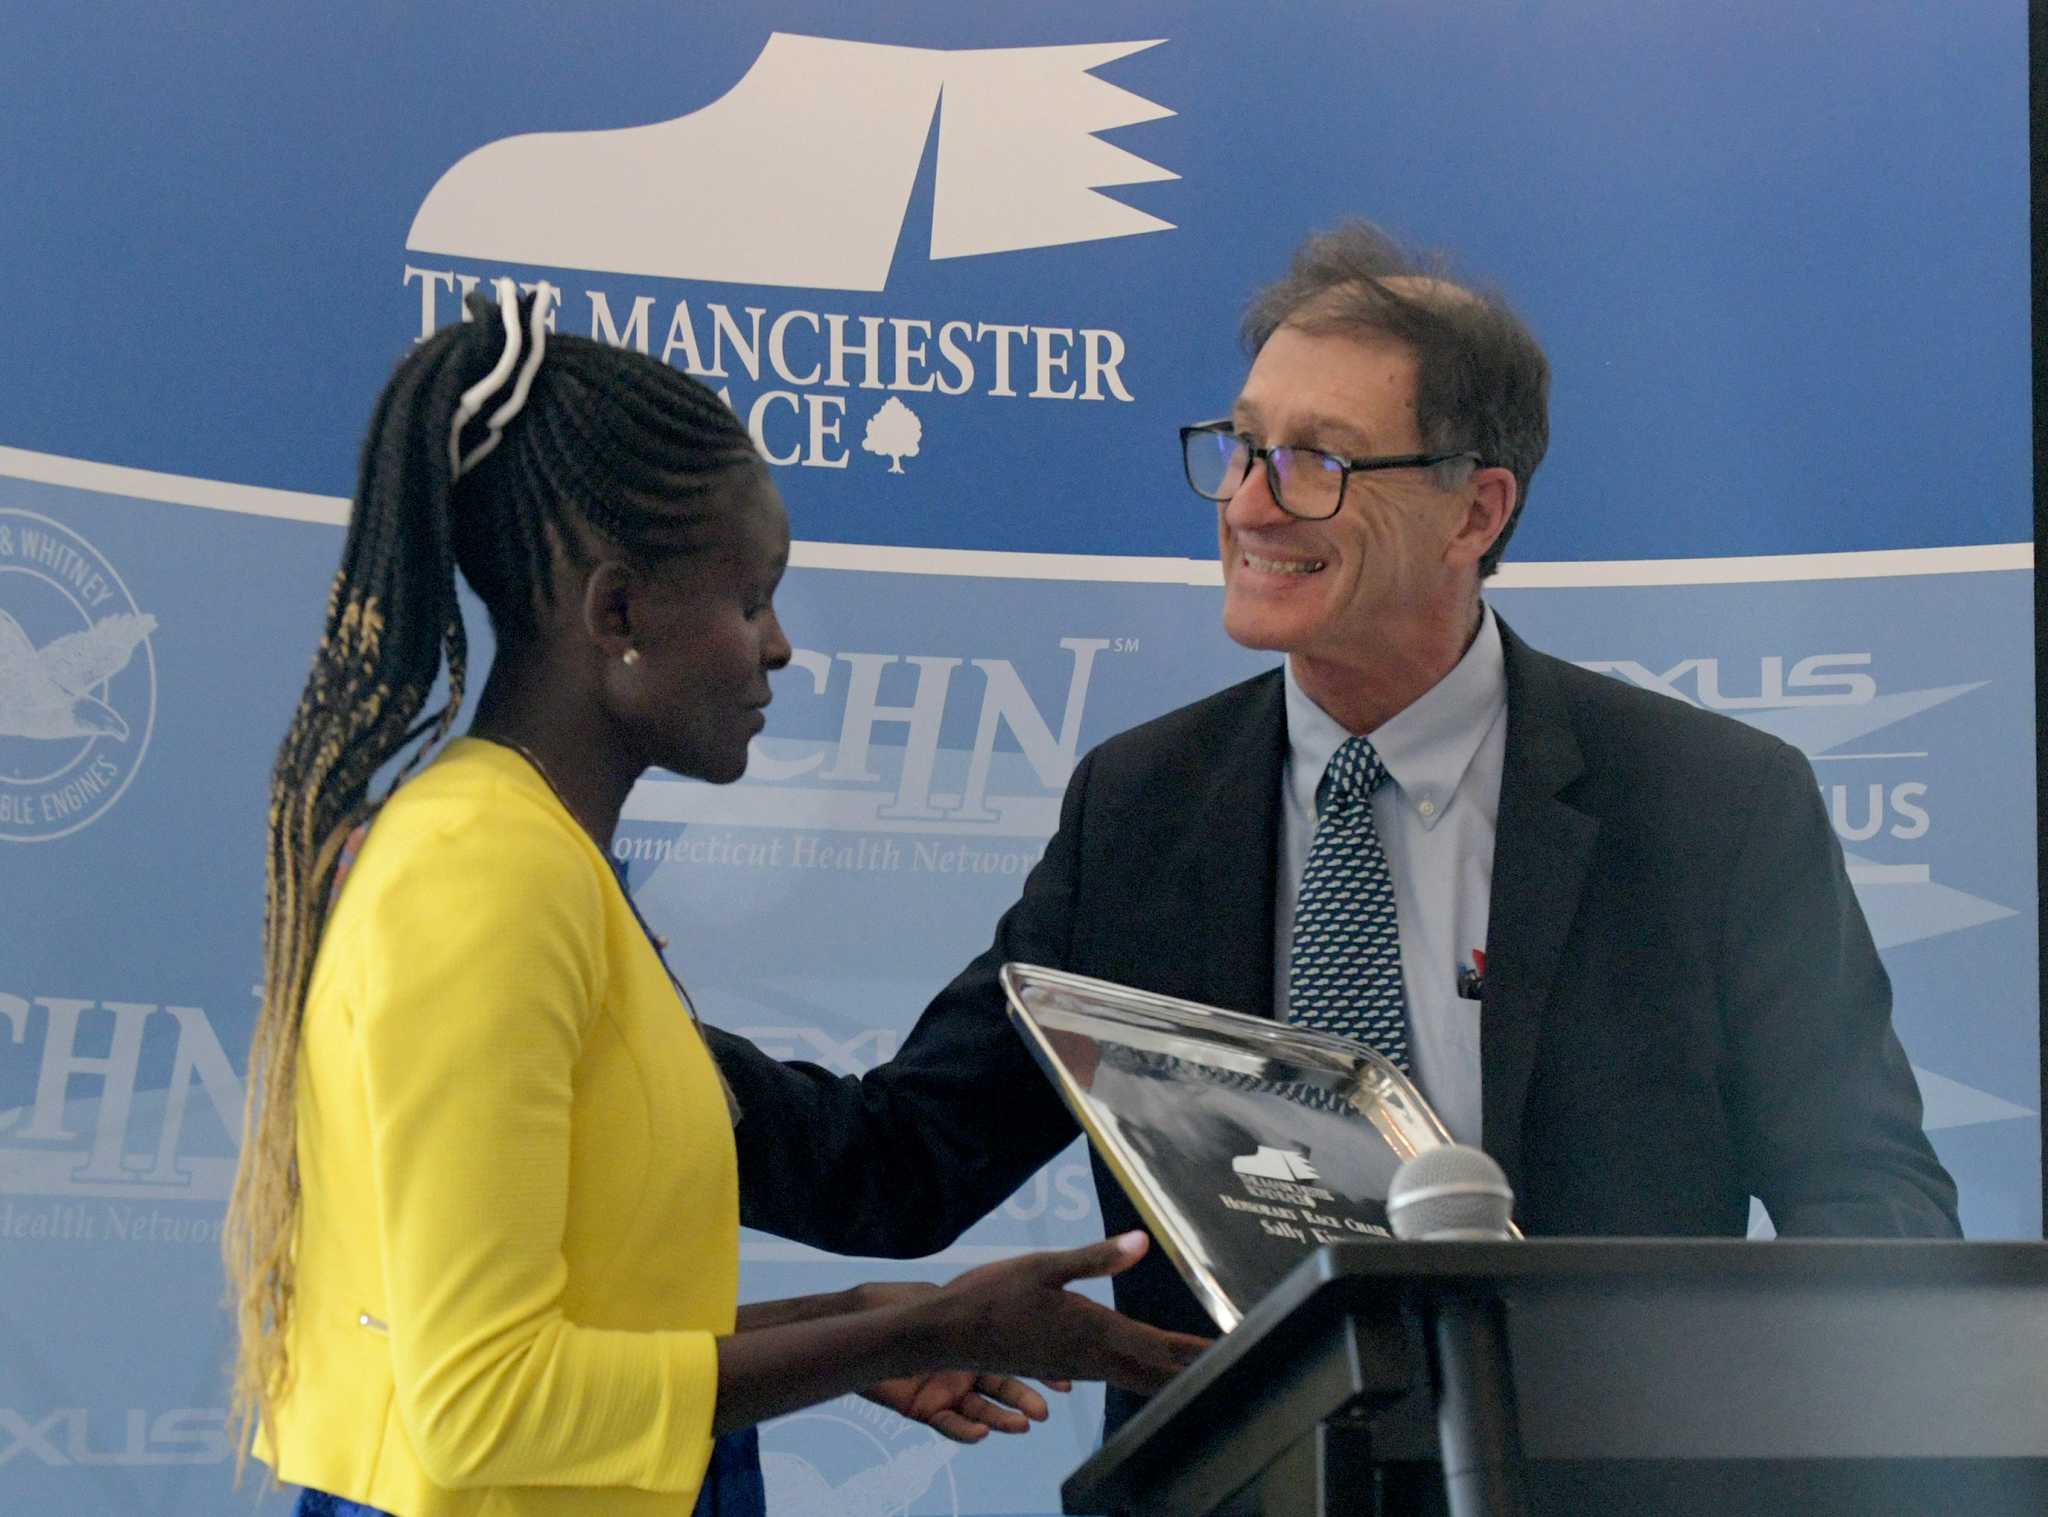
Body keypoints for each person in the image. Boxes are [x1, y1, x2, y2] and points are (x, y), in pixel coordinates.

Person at [700, 222, 1963, 1434]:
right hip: (1236, 1478)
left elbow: (1865, 1204)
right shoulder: (1138, 806)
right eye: (1242, 447)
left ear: (1474, 512)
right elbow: (900, 1158)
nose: (1250, 504)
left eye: (1318, 460)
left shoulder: (1707, 805)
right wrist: (612, 1037)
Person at [221, 280, 1205, 1517]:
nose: (778, 645)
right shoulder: (483, 872)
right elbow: (482, 1407)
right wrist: (907, 1333)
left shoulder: (536, 855)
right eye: (750, 599)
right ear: (617, 609)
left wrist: (857, 1315)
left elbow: (576, 1330)